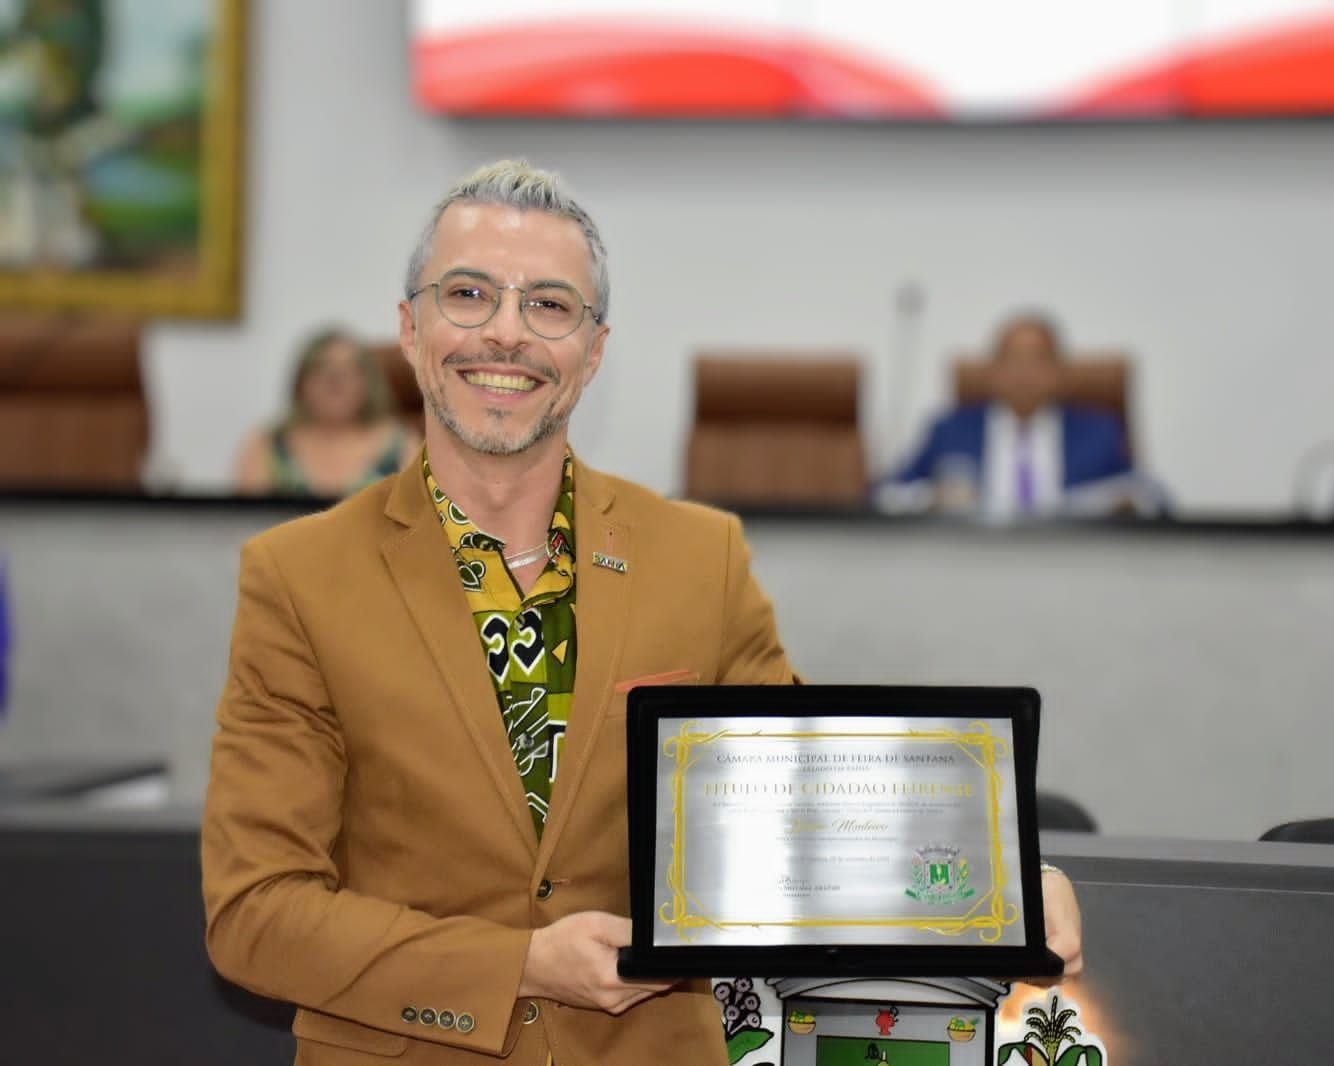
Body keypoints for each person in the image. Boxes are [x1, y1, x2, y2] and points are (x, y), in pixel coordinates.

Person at [201, 160, 1084, 1064]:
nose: (505, 333)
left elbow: (815, 817)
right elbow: (256, 915)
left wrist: (1012, 883)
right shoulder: (298, 577)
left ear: (593, 350)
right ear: (410, 327)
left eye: (549, 306)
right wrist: (521, 965)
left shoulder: (700, 558)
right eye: (468, 294)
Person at [887, 313, 1142, 519]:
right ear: (992, 370)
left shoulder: (1099, 432)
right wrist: (931, 497)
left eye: (1037, 360)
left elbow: (1150, 494)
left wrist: (1127, 500)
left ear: (1060, 370)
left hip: (1072, 562)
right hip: (972, 560)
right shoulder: (950, 430)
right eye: (1012, 360)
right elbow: (888, 494)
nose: (1024, 373)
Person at [233, 328, 420, 497]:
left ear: (368, 382)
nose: (336, 381)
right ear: (302, 382)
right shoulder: (267, 445)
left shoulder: (403, 445)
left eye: (350, 370)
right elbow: (246, 525)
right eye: (322, 369)